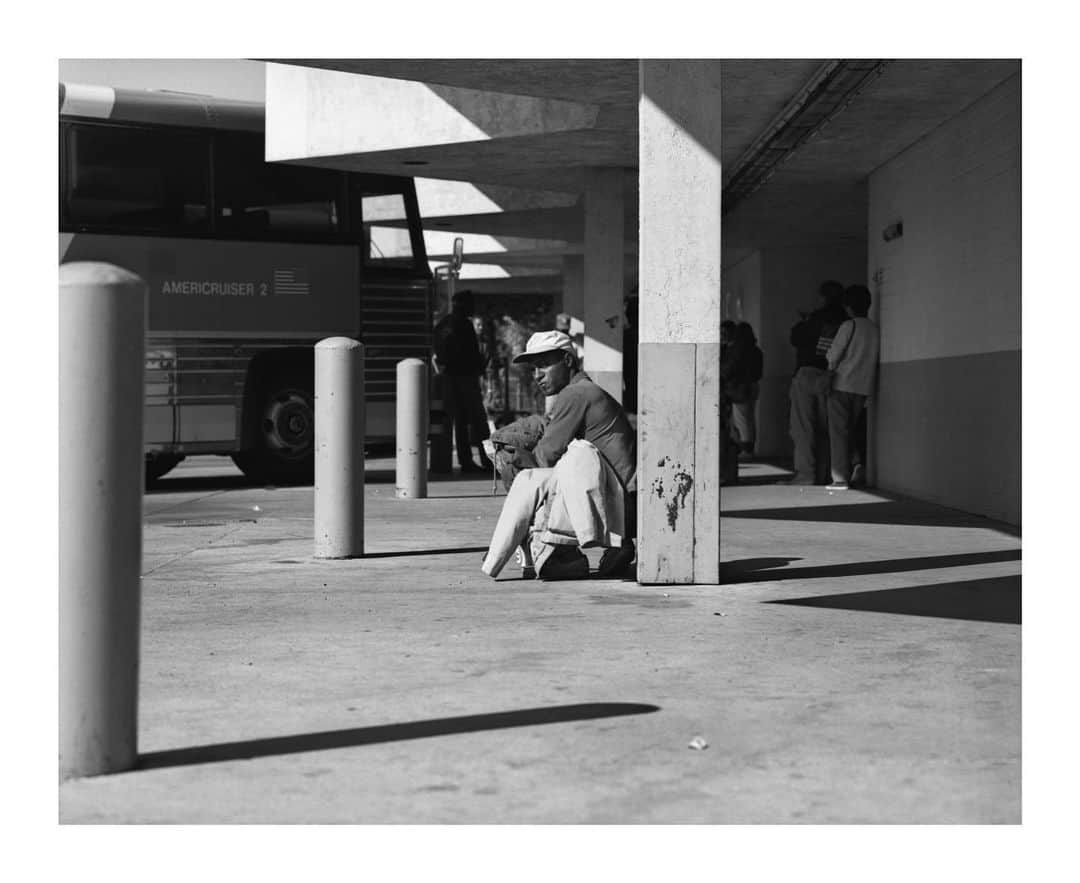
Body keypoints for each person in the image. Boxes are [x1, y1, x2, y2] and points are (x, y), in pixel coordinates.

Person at [481, 330, 637, 581]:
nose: (537, 375)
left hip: (618, 505)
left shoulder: (575, 394)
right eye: (533, 369)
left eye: (544, 365)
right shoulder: (586, 391)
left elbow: (545, 457)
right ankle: (551, 550)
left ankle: (554, 552)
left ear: (567, 361)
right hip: (623, 501)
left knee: (527, 474)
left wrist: (510, 458)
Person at [787, 281, 850, 484]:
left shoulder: (815, 318)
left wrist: (804, 320)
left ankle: (806, 474)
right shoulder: (845, 320)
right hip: (832, 376)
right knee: (827, 427)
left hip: (807, 374)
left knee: (803, 427)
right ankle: (825, 474)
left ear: (823, 298)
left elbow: (796, 337)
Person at [825, 284, 879, 490]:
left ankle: (840, 478)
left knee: (838, 432)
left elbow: (833, 355)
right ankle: (857, 464)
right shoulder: (874, 329)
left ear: (848, 306)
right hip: (863, 387)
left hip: (841, 384)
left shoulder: (849, 326)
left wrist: (830, 363)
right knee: (852, 430)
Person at [433, 290, 493, 474]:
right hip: (465, 377)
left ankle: (466, 460)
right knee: (478, 422)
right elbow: (471, 354)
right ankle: (488, 461)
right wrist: (479, 366)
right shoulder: (463, 325)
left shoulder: (443, 324)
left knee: (460, 422)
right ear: (465, 305)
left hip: (449, 377)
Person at [727, 322, 764, 459]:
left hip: (739, 387)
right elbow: (759, 372)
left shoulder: (737, 350)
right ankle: (749, 448)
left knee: (741, 420)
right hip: (753, 386)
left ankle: (746, 450)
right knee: (749, 419)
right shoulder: (756, 350)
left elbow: (731, 368)